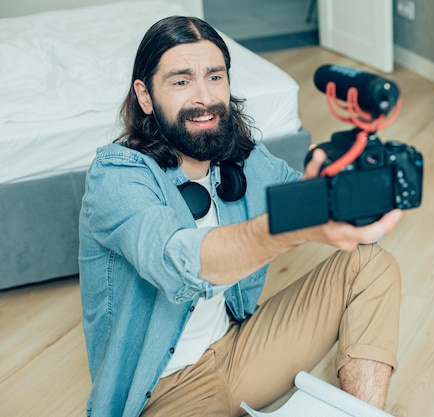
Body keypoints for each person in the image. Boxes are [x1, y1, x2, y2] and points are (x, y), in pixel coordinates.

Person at [79, 15, 403, 417]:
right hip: (164, 391)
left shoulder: (242, 158)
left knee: (370, 264)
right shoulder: (116, 177)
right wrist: (291, 226)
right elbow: (178, 260)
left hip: (238, 353)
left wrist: (354, 187)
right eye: (181, 81)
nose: (204, 97)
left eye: (215, 77)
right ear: (145, 96)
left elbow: (307, 195)